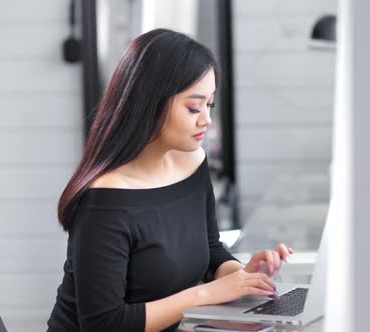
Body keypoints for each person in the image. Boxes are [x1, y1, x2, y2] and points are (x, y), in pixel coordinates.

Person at [46, 29, 293, 332]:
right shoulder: (106, 200)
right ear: (151, 102)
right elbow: (103, 324)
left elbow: (211, 251)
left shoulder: (193, 164)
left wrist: (242, 276)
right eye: (193, 107)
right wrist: (209, 294)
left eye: (209, 105)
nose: (206, 119)